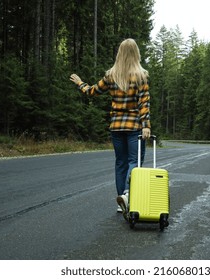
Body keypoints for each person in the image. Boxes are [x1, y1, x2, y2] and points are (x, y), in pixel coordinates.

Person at [70, 38, 151, 217]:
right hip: (134, 127)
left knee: (121, 163)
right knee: (134, 163)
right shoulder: (141, 76)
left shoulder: (111, 75)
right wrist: (146, 126)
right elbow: (144, 103)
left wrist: (80, 83)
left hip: (116, 127)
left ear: (120, 53)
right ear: (136, 53)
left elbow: (92, 91)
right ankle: (129, 194)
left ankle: (121, 199)